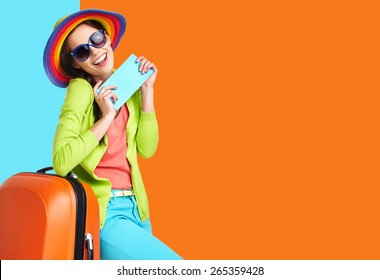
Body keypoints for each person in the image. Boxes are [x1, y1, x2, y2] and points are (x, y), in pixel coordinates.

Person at [43, 9, 182, 260]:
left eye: (96, 40)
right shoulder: (80, 90)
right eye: (83, 51)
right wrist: (106, 117)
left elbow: (147, 149)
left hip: (138, 210)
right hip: (105, 213)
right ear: (75, 63)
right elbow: (61, 161)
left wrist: (147, 92)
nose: (96, 52)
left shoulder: (128, 80)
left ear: (107, 37)